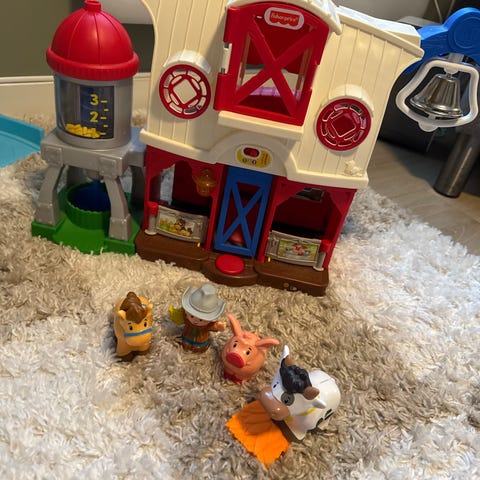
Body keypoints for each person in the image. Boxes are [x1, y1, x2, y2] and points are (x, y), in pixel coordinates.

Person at [169, 283, 226, 353]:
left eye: (201, 320)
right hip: (186, 338)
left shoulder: (208, 325)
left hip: (200, 343)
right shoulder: (186, 318)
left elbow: (215, 326)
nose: (195, 321)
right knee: (185, 346)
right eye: (192, 316)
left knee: (198, 350)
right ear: (187, 312)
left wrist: (219, 326)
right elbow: (178, 317)